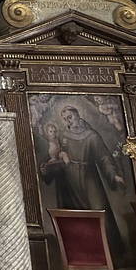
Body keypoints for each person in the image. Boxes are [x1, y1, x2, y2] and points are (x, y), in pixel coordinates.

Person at [38, 105, 127, 258]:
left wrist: (114, 175)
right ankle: (80, 257)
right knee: (73, 218)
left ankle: (109, 257)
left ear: (77, 115)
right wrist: (47, 167)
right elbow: (55, 155)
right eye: (65, 119)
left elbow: (104, 157)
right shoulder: (63, 135)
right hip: (68, 183)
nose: (68, 121)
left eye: (70, 117)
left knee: (99, 212)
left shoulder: (91, 136)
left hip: (88, 178)